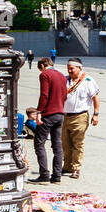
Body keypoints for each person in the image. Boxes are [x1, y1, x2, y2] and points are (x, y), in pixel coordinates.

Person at [28, 57, 67, 185]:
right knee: (57, 145)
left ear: (43, 66)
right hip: (60, 113)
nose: (41, 71)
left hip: (48, 114)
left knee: (39, 143)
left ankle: (44, 175)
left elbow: (44, 94)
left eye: (40, 69)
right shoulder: (61, 75)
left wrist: (39, 112)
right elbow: (65, 95)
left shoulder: (45, 75)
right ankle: (57, 176)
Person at [61, 58, 100, 180]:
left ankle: (76, 168)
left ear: (79, 67)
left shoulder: (88, 81)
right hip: (65, 116)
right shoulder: (65, 80)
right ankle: (67, 166)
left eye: (72, 68)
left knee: (78, 143)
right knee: (65, 143)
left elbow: (95, 98)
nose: (69, 71)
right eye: (68, 68)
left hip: (80, 116)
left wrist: (96, 114)